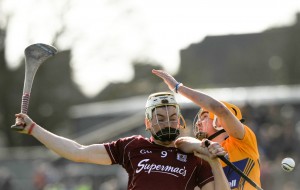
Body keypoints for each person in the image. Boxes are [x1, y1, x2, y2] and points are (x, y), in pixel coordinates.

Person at [14, 92, 230, 190]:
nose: (168, 123)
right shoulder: (132, 146)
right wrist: (34, 128)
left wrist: (213, 161)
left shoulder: (195, 154)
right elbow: (78, 151)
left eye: (173, 118)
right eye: (160, 119)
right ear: (148, 123)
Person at [152, 69, 261, 190]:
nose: (198, 122)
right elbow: (180, 142)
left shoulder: (243, 142)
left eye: (204, 117)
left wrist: (178, 87)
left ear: (219, 121)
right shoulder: (201, 154)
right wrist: (202, 146)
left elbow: (219, 109)